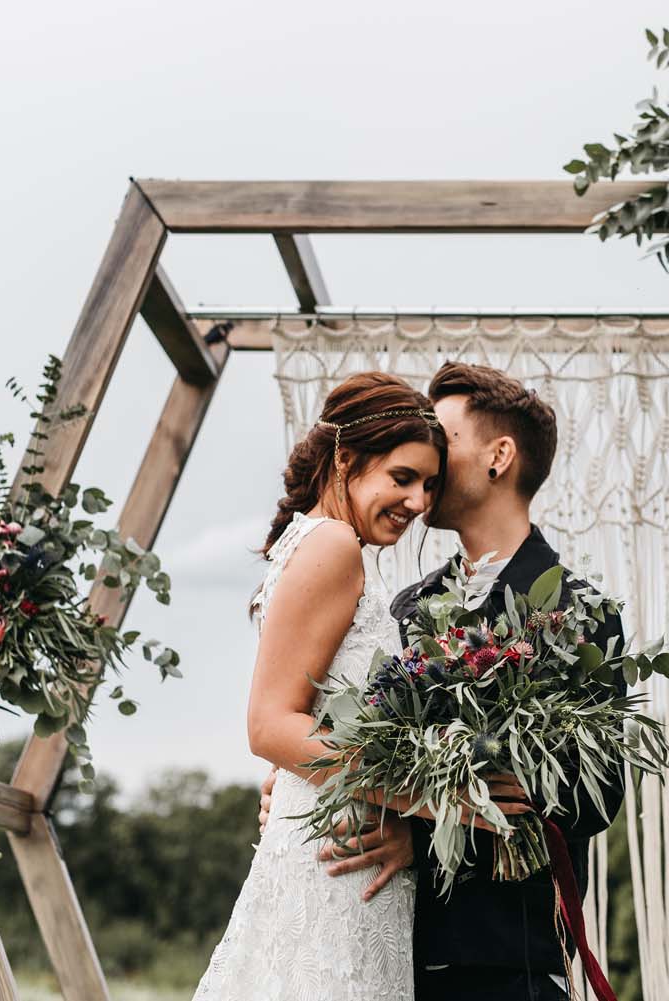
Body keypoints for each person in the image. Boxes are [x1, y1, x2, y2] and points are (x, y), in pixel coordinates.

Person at [258, 362, 627, 1001]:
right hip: (384, 945)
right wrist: (303, 786)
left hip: (501, 962)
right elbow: (347, 732)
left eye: (444, 439)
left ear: (499, 456)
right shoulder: (403, 609)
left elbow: (590, 799)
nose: (426, 451)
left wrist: (424, 829)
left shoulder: (577, 612)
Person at [191, 371, 531, 1001]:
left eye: (429, 484)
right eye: (402, 478)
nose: (419, 502)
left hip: (346, 856)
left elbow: (310, 721)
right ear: (346, 460)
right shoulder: (333, 545)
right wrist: (435, 800)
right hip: (335, 870)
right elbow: (270, 725)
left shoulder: (324, 546)